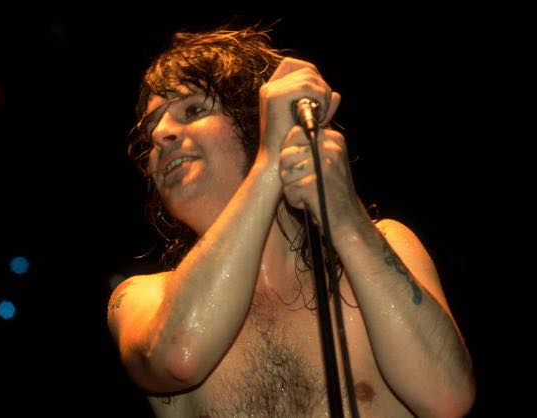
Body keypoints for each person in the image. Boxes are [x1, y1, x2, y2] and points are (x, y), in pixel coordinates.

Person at [107, 25, 475, 417]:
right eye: (151, 130)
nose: (161, 135)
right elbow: (179, 354)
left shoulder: (384, 245)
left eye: (193, 110)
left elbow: (447, 398)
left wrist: (345, 217)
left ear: (256, 123)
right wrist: (270, 165)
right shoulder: (143, 297)